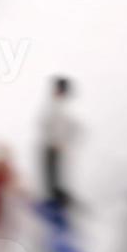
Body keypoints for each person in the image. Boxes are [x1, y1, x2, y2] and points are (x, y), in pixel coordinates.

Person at [40, 76, 77, 210]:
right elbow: (46, 125)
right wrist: (55, 141)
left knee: (54, 175)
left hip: (55, 147)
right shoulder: (54, 106)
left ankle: (58, 201)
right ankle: (56, 200)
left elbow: (61, 127)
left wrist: (61, 142)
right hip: (51, 146)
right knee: (51, 176)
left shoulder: (60, 107)